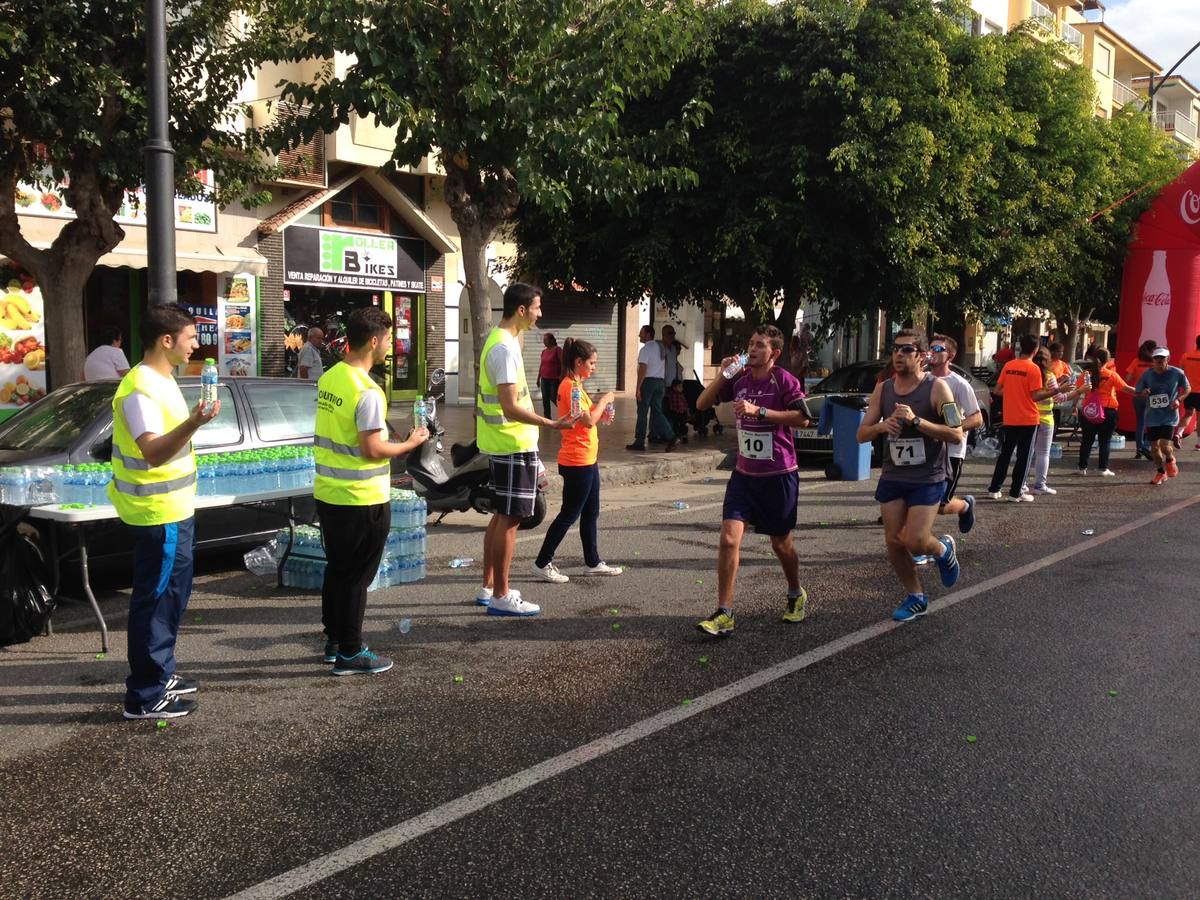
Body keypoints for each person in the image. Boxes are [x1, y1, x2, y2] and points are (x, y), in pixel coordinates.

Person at [112, 304, 220, 719]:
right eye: (192, 337)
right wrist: (194, 423)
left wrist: (194, 421)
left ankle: (162, 673)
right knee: (155, 602)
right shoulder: (140, 387)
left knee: (172, 598)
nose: (197, 344)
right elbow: (153, 451)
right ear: (167, 340)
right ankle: (145, 694)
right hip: (157, 512)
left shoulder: (165, 379)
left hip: (174, 508)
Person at [315, 308, 428, 675]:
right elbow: (373, 448)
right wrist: (410, 443)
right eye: (388, 341)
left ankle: (334, 640)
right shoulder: (368, 391)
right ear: (375, 341)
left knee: (338, 570)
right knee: (357, 578)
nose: (390, 349)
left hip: (329, 493)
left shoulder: (331, 377)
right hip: (361, 499)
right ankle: (350, 652)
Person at [696, 326, 812, 637]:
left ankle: (795, 592)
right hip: (745, 476)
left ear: (774, 353)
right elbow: (702, 404)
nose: (752, 349)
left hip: (779, 476)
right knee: (728, 539)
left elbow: (803, 418)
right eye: (750, 343)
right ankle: (725, 612)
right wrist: (723, 374)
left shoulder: (784, 380)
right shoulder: (740, 380)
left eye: (759, 345)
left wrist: (760, 411)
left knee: (780, 543)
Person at [476, 283, 576, 616]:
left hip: (506, 441)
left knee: (501, 515)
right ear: (521, 310)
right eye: (537, 307)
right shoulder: (504, 348)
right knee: (511, 516)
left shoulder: (504, 341)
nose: (540, 313)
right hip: (511, 440)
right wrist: (551, 424)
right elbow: (510, 406)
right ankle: (502, 595)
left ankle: (490, 587)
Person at [857, 330, 963, 623]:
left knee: (915, 541)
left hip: (928, 475)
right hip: (894, 474)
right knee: (893, 540)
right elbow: (861, 434)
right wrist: (882, 426)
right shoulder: (884, 389)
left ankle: (942, 549)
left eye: (906, 350)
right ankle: (916, 596)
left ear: (922, 355)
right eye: (895, 350)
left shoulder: (937, 388)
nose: (899, 355)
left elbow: (955, 432)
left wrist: (917, 421)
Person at [532, 338, 622, 583]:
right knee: (570, 513)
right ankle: (542, 562)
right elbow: (587, 421)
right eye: (591, 363)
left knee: (591, 512)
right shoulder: (569, 387)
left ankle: (592, 561)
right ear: (578, 362)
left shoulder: (576, 385)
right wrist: (604, 401)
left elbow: (588, 416)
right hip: (576, 459)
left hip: (587, 458)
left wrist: (602, 411)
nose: (594, 367)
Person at [986, 334, 1059, 503]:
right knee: (1024, 457)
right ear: (1035, 349)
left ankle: (994, 488)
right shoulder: (1033, 369)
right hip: (1028, 418)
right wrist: (1054, 391)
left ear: (1020, 347)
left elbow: (997, 390)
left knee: (1005, 453)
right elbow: (1035, 396)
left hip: (1010, 416)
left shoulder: (1009, 365)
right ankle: (1015, 492)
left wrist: (1014, 393)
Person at [927, 335, 980, 531]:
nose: (933, 352)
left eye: (939, 349)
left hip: (951, 451)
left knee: (940, 505)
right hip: (926, 449)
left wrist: (949, 431)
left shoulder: (959, 384)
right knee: (923, 499)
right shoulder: (922, 379)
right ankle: (918, 542)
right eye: (930, 348)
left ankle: (965, 505)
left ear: (951, 355)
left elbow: (977, 418)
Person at [1075, 348, 1137, 477]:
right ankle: (1102, 469)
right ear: (1108, 360)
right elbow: (1126, 388)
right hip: (1108, 411)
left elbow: (1078, 390)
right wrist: (1142, 393)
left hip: (1089, 410)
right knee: (1105, 441)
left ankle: (1082, 468)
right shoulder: (1111, 374)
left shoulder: (1086, 374)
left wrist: (1075, 405)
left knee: (1086, 440)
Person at [1025, 346, 1075, 496]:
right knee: (1043, 453)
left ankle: (1023, 483)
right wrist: (1076, 392)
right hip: (1046, 418)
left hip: (1028, 417)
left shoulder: (1029, 374)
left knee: (1027, 452)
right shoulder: (1049, 375)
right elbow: (1058, 398)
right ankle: (1040, 485)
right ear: (1048, 360)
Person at [1135, 347, 1190, 485]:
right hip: (1152, 416)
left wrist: (1179, 399)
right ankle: (1161, 472)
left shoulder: (1177, 373)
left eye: (1162, 358)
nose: (1159, 361)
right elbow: (1138, 390)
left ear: (1168, 359)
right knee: (1154, 448)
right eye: (1156, 358)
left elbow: (1188, 388)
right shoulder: (1147, 374)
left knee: (1165, 445)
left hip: (1169, 415)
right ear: (1153, 360)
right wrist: (1144, 392)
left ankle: (1170, 460)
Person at [627, 325, 676, 452]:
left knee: (642, 412)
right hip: (660, 382)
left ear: (648, 334)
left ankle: (639, 441)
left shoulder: (646, 349)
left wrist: (638, 388)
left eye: (641, 333)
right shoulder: (660, 347)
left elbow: (643, 369)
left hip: (648, 382)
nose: (639, 335)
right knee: (657, 411)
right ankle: (671, 436)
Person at [1126, 340, 1156, 460]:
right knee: (1153, 423)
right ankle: (1146, 446)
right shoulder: (1155, 362)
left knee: (1140, 423)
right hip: (1152, 396)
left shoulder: (1136, 361)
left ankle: (1139, 450)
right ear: (1152, 350)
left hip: (1138, 395)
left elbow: (1127, 378)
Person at [1175, 335, 1200, 447]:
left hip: (1188, 390)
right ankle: (1199, 443)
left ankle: (1179, 433)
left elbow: (1180, 372)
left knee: (1188, 414)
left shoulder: (1186, 356)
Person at [1047, 342, 1073, 432]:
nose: (1061, 354)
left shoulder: (1063, 364)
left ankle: (1055, 430)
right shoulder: (1047, 363)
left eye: (1062, 352)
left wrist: (1066, 378)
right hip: (1048, 393)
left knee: (1056, 414)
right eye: (1058, 352)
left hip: (1059, 393)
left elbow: (1070, 375)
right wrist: (1058, 380)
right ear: (1052, 352)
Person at [538, 332, 563, 419]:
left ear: (551, 340)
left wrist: (561, 376)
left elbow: (563, 363)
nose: (544, 342)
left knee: (553, 397)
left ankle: (564, 411)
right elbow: (542, 365)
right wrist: (538, 378)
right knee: (545, 399)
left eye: (545, 340)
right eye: (543, 340)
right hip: (544, 379)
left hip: (554, 379)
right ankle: (547, 417)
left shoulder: (557, 350)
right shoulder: (544, 351)